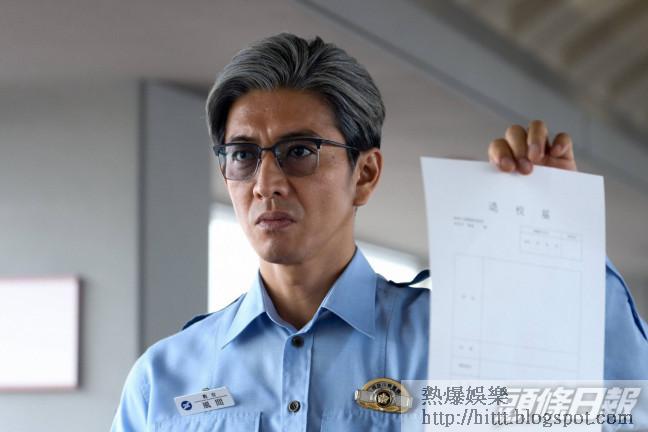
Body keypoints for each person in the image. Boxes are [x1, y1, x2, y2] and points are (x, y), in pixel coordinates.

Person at [111, 33, 648, 431]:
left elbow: (623, 414)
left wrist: (565, 245)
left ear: (365, 174)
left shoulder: (457, 348)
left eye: (299, 151)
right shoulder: (166, 376)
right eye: (243, 155)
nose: (266, 183)